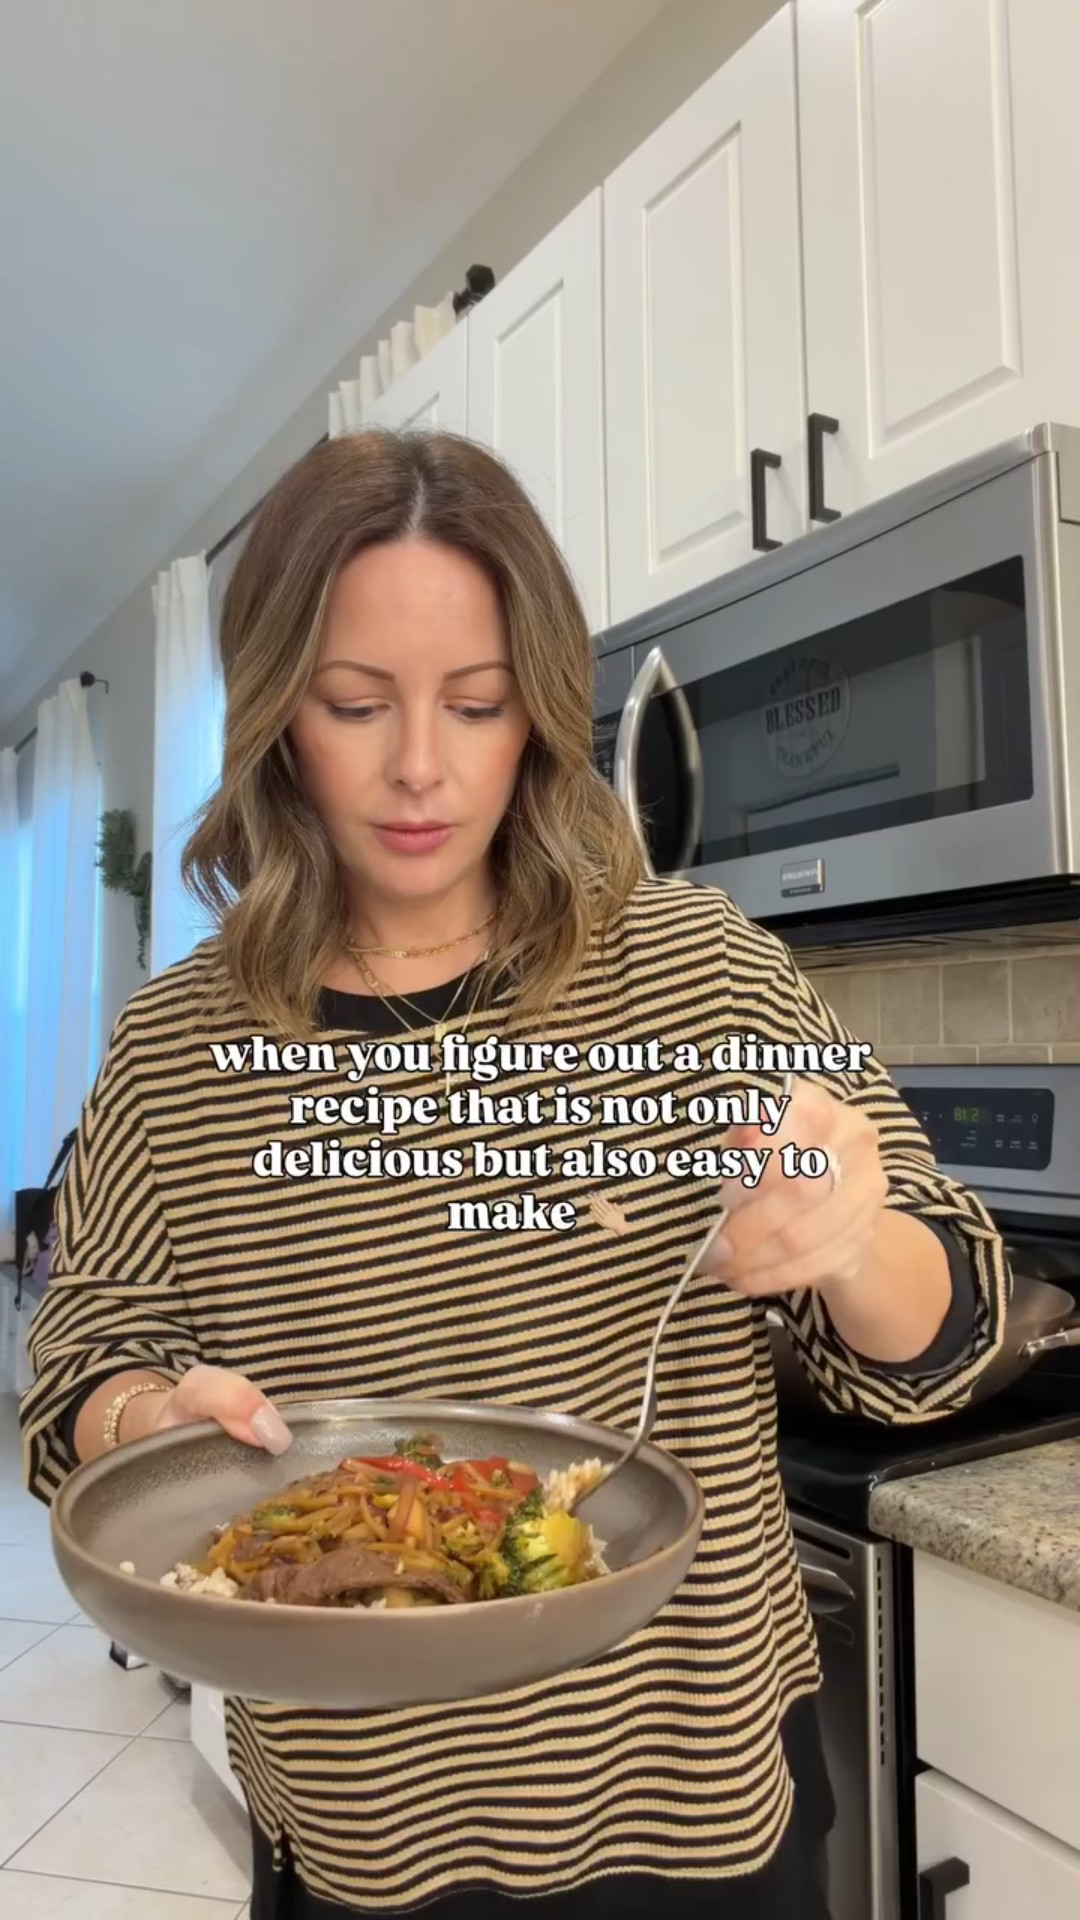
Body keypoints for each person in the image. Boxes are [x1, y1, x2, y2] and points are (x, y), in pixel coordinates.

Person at [21, 430, 1010, 1920]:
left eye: (475, 706)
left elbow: (945, 1342)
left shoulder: (698, 979)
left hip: (696, 1817)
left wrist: (856, 1240)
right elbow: (74, 1374)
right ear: (282, 711)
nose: (421, 766)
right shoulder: (179, 1046)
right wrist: (152, 1412)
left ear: (538, 715)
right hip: (364, 1829)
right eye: (358, 704)